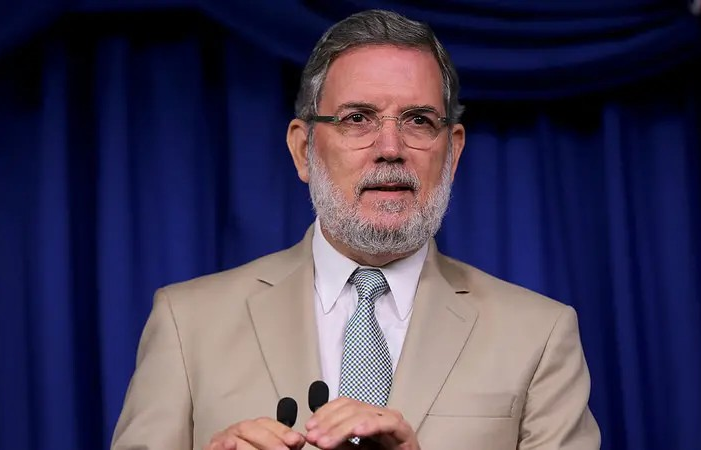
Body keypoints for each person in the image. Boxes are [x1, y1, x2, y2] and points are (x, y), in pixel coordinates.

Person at [111, 9, 600, 450]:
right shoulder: (187, 324)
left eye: (418, 120)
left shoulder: (538, 336)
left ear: (452, 152)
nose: (390, 148)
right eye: (358, 118)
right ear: (303, 150)